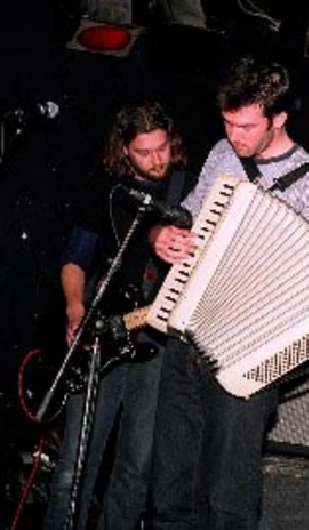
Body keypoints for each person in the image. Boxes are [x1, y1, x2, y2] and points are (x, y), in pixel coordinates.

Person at [148, 55, 309, 529]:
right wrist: (163, 235)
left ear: (279, 119)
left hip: (246, 353)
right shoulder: (221, 155)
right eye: (228, 123)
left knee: (228, 496)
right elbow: (183, 216)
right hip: (188, 331)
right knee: (170, 487)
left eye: (246, 126)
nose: (234, 136)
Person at [43, 101, 194, 530]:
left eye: (162, 148)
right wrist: (76, 308)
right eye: (143, 152)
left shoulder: (190, 185)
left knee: (137, 465)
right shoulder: (108, 189)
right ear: (124, 150)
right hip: (103, 330)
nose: (156, 160)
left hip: (156, 335)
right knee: (75, 461)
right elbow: (76, 255)